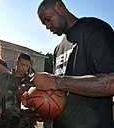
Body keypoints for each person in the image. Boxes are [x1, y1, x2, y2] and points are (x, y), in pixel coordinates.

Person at [28, 0, 114, 128]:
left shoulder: (95, 29)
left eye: (47, 19)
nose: (47, 26)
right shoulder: (58, 49)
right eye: (44, 23)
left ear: (59, 7)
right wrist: (39, 104)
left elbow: (111, 83)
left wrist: (54, 81)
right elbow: (58, 94)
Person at [0, 53, 42, 128]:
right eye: (22, 65)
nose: (24, 68)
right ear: (16, 63)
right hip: (3, 122)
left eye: (27, 66)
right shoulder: (3, 79)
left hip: (23, 123)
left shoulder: (32, 83)